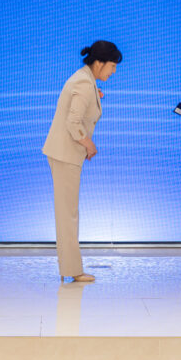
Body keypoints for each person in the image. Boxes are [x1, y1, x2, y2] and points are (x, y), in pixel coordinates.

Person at [43, 41, 121, 282]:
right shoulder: (84, 83)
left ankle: (70, 268)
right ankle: (72, 270)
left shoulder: (86, 80)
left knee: (68, 212)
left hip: (65, 154)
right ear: (98, 63)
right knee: (68, 214)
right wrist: (88, 143)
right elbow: (73, 122)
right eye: (112, 66)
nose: (114, 71)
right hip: (65, 154)